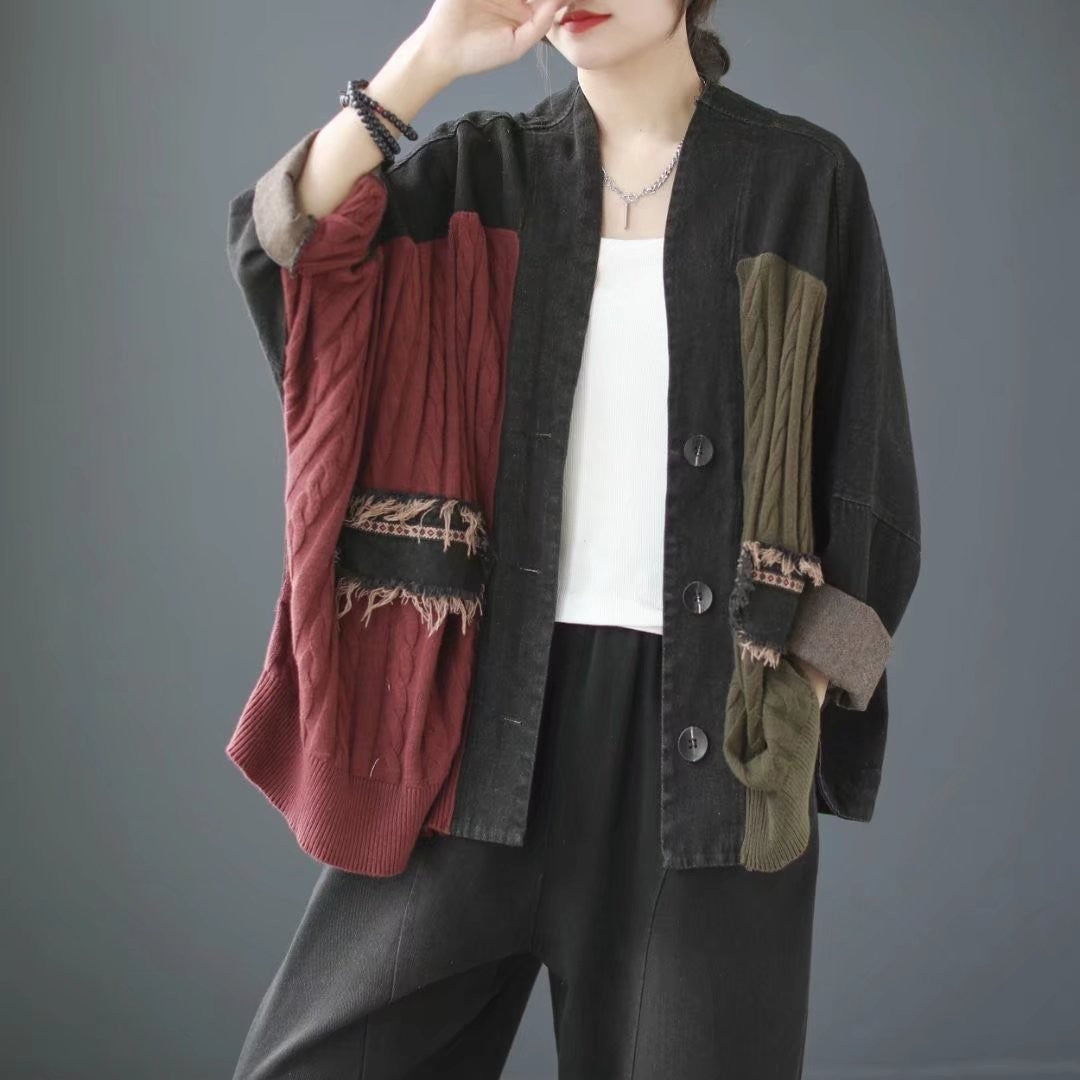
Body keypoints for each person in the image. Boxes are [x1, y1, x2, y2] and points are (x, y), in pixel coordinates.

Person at [225, 0, 921, 1076]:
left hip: (708, 756)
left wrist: (794, 712)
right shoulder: (474, 176)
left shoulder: (801, 182)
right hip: (469, 731)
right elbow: (291, 253)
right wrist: (429, 58)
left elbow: (867, 483)